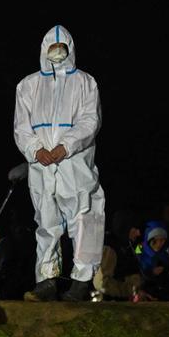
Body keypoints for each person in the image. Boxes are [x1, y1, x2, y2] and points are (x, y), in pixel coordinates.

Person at [14, 25, 106, 302]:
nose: (56, 53)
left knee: (83, 219)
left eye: (61, 48)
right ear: (44, 50)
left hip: (75, 165)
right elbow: (21, 126)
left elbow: (91, 120)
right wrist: (35, 149)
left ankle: (82, 280)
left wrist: (66, 145)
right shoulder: (28, 85)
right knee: (46, 223)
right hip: (42, 167)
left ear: (70, 50)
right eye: (52, 48)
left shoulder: (85, 82)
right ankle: (47, 280)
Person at [94, 211, 143, 300]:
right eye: (135, 229)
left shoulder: (127, 246)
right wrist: (132, 291)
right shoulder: (111, 249)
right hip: (110, 305)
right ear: (125, 228)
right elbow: (103, 284)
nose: (138, 233)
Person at [136, 222, 169, 301]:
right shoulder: (139, 252)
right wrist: (151, 273)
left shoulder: (168, 256)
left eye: (162, 240)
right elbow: (136, 273)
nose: (159, 244)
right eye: (155, 241)